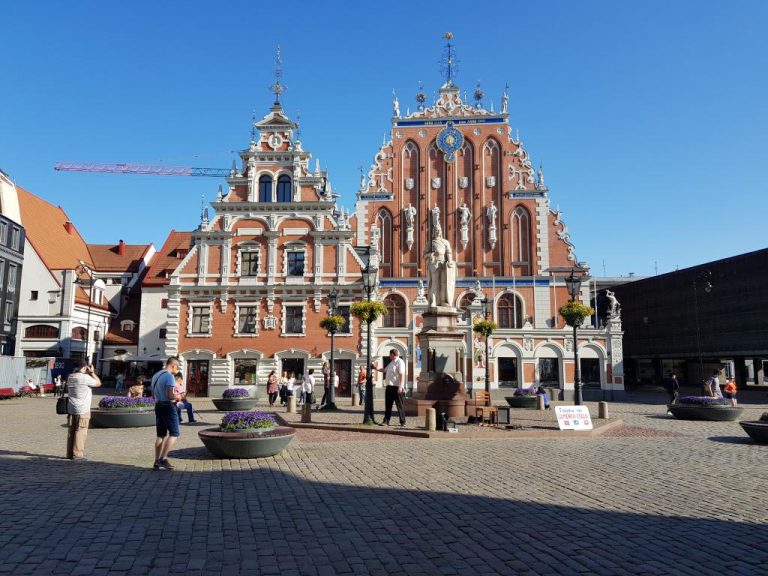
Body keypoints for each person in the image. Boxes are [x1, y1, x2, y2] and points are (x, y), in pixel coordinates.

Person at [65, 360, 102, 460]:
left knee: (72, 430)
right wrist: (92, 372)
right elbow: (98, 383)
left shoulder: (70, 376)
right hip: (83, 408)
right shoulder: (85, 378)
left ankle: (69, 453)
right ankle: (77, 454)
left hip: (71, 407)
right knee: (81, 431)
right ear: (85, 367)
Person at [151, 357, 182, 471]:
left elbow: (153, 393)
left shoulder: (156, 375)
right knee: (174, 433)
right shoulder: (169, 376)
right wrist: (178, 396)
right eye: (177, 367)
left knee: (161, 435)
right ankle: (163, 459)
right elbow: (170, 395)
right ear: (173, 365)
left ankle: (156, 461)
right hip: (167, 406)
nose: (177, 369)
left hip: (158, 405)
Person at [376, 348, 406, 427]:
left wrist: (401, 386)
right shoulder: (391, 362)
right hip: (389, 386)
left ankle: (402, 421)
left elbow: (401, 374)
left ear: (394, 354)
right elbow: (384, 370)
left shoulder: (400, 362)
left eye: (390, 354)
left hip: (396, 387)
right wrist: (375, 368)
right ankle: (386, 421)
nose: (389, 356)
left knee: (399, 405)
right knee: (388, 405)